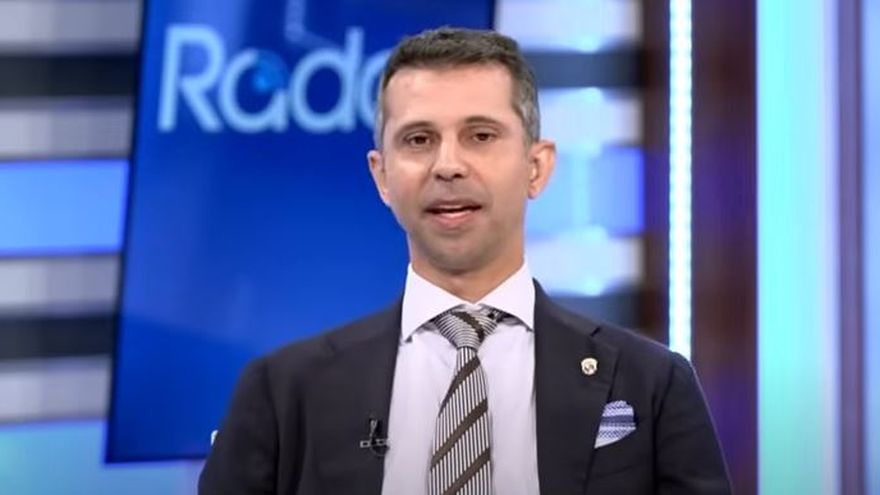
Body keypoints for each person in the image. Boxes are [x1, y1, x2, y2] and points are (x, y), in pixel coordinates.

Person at [199, 27, 731, 495]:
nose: (448, 165)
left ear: (537, 166)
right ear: (381, 176)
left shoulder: (652, 384)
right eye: (419, 139)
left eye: (480, 136)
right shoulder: (282, 392)